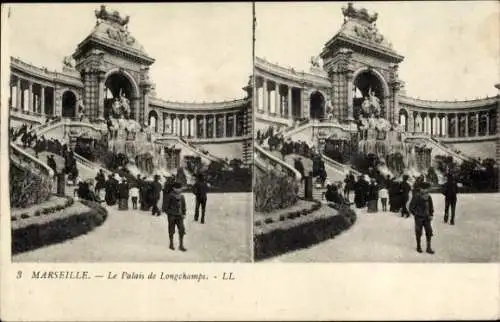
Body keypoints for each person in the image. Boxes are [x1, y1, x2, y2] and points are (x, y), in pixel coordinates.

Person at [409, 182, 435, 254]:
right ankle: (418, 246)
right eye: (424, 189)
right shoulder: (416, 196)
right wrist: (416, 214)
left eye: (426, 189)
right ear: (421, 189)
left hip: (427, 218)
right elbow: (411, 207)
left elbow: (431, 206)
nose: (425, 191)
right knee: (418, 232)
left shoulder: (429, 197)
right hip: (419, 218)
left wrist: (431, 214)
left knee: (429, 232)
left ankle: (428, 247)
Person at [163, 182, 187, 251]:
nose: (179, 190)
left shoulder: (182, 196)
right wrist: (169, 213)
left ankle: (181, 245)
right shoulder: (170, 195)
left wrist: (184, 213)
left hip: (179, 216)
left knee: (182, 229)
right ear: (174, 188)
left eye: (180, 189)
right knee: (171, 230)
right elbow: (165, 206)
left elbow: (184, 206)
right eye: (177, 188)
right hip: (172, 216)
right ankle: (171, 244)